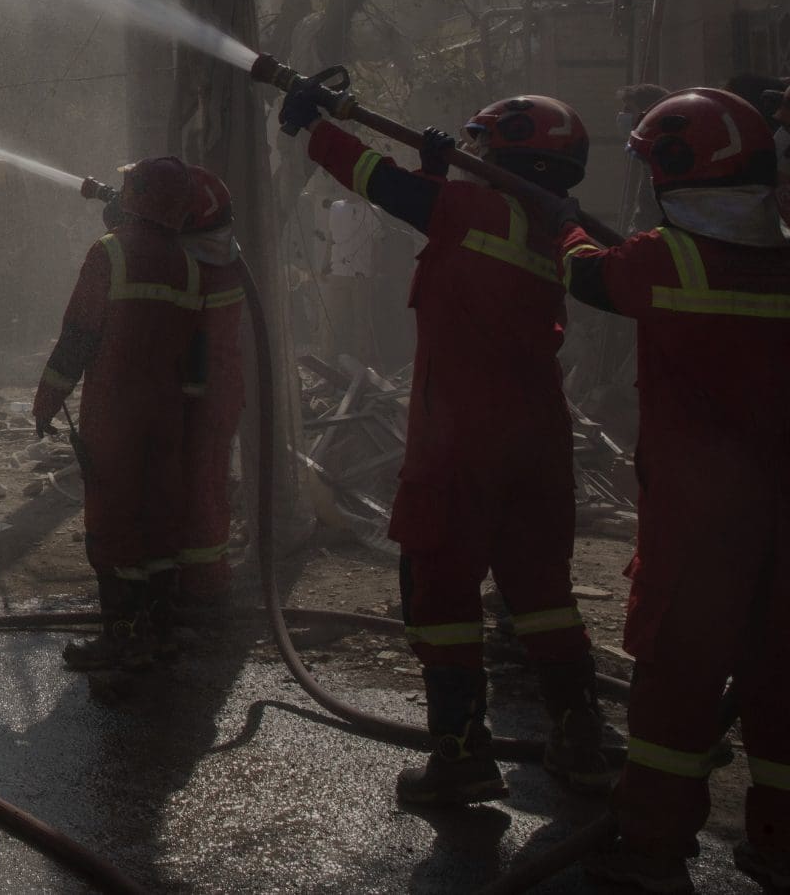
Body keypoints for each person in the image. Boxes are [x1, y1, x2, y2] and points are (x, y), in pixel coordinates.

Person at [279, 87, 614, 805]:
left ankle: (461, 756)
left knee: (439, 587)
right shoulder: (552, 229)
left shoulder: (473, 210)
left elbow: (381, 183)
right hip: (538, 439)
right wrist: (437, 169)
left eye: (483, 149)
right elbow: (446, 226)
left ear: (509, 157)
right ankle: (581, 739)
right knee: (542, 591)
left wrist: (315, 126)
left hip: (462, 440)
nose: (473, 157)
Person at [559, 88, 790, 895]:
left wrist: (563, 220)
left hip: (700, 523)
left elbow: (587, 275)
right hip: (783, 519)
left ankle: (653, 848)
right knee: (780, 679)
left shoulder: (664, 258)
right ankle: (780, 843)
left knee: (676, 682)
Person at [33, 156, 205, 672]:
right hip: (168, 418)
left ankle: (122, 637)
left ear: (138, 197)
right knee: (159, 522)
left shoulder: (109, 252)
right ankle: (161, 632)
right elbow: (195, 357)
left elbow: (79, 336)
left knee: (113, 523)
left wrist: (47, 400)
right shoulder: (189, 264)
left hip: (115, 415)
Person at [177, 166, 248, 608]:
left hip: (199, 398)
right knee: (207, 487)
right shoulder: (224, 257)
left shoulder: (196, 269)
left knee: (197, 490)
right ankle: (206, 580)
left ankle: (200, 588)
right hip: (218, 394)